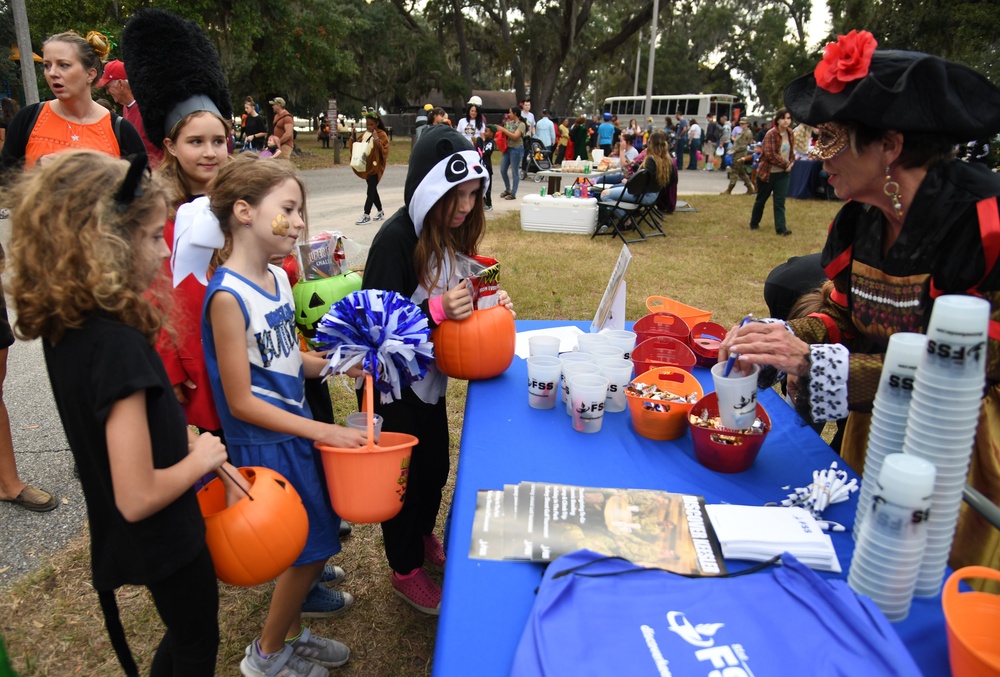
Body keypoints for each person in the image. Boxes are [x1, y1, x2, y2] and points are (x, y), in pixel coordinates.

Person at [720, 30, 1000, 586]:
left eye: (828, 139)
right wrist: (784, 338)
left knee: (933, 597)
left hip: (962, 449)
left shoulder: (981, 222)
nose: (816, 157)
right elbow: (841, 318)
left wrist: (811, 362)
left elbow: (967, 371)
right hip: (879, 425)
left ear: (890, 146)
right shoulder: (859, 218)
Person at [8, 150, 236, 674]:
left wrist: (176, 438)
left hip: (137, 537)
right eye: (154, 236)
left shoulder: (72, 325)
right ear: (105, 243)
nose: (163, 252)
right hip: (165, 538)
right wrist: (200, 456)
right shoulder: (116, 346)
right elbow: (136, 497)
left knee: (185, 638)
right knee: (196, 641)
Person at [200, 155, 365, 675]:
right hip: (267, 445)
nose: (299, 222)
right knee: (313, 548)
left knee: (302, 545)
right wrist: (324, 430)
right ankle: (266, 656)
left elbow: (290, 360)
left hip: (294, 434)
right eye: (289, 209)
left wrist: (341, 365)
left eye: (300, 210)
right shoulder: (228, 297)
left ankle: (292, 636)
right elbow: (242, 400)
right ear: (244, 212)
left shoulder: (275, 276)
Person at [362, 124, 515, 614]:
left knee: (435, 470)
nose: (467, 207)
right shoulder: (393, 243)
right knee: (402, 485)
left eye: (474, 195)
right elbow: (375, 332)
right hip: (395, 391)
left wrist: (491, 302)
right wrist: (436, 312)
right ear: (431, 189)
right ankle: (404, 568)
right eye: (457, 196)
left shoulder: (448, 233)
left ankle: (425, 534)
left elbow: (461, 288)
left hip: (430, 384)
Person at [0, 31, 146, 172]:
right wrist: (37, 171)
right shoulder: (27, 119)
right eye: (47, 65)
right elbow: (6, 184)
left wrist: (100, 174)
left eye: (63, 65)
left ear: (90, 74)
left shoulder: (119, 129)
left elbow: (143, 189)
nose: (52, 73)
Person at [97, 59, 164, 168]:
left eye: (108, 87)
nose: (107, 92)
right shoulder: (125, 108)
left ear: (120, 84)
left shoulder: (149, 108)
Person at [599, 130, 675, 217]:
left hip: (643, 195)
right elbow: (652, 176)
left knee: (605, 194)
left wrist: (628, 182)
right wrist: (636, 166)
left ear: (650, 144)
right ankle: (626, 215)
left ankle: (626, 219)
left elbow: (642, 181)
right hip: (653, 194)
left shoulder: (651, 160)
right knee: (614, 187)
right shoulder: (667, 160)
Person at [748, 108, 795, 235]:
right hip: (768, 173)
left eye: (789, 118)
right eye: (783, 118)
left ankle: (781, 229)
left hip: (783, 174)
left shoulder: (790, 133)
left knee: (780, 201)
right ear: (778, 120)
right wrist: (786, 164)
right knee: (761, 200)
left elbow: (791, 153)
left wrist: (791, 162)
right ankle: (754, 223)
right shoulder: (771, 134)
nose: (786, 121)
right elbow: (770, 154)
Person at [351, 110, 390, 224]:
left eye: (371, 124)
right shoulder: (365, 134)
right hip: (367, 166)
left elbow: (384, 151)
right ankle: (380, 211)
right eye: (367, 124)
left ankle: (366, 214)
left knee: (370, 191)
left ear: (377, 123)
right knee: (372, 190)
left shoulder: (382, 134)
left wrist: (377, 139)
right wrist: (353, 135)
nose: (369, 127)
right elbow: (356, 144)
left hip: (375, 167)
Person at [496, 105, 527, 200]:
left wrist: (503, 130)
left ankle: (513, 193)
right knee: (503, 170)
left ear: (515, 113)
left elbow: (515, 136)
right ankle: (508, 189)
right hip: (508, 148)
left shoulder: (521, 125)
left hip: (516, 149)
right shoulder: (509, 123)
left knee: (515, 172)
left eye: (510, 112)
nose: (508, 114)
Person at [722, 121, 755, 195]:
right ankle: (750, 188)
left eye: (743, 123)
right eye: (740, 124)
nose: (741, 125)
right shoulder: (742, 131)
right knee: (741, 172)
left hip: (740, 154)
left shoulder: (748, 133)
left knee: (734, 171)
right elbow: (737, 142)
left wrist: (734, 150)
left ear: (747, 124)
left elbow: (744, 145)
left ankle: (729, 189)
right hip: (737, 153)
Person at [477, 124, 497, 211]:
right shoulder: (485, 142)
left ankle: (488, 204)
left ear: (492, 133)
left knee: (487, 186)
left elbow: (484, 153)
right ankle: (483, 202)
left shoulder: (490, 143)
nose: (484, 133)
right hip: (482, 165)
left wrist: (478, 146)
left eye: (486, 131)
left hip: (487, 166)